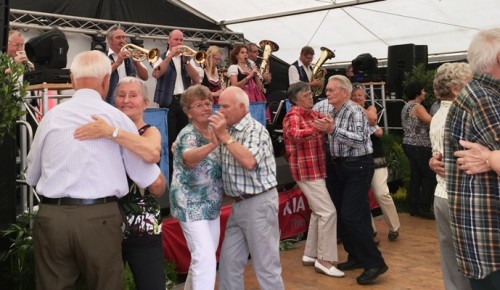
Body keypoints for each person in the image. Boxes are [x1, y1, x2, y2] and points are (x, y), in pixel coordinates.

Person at [25, 50, 166, 290]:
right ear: (106, 81)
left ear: (72, 79)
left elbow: (31, 175)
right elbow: (150, 180)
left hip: (52, 217)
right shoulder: (117, 119)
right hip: (99, 219)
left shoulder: (50, 117)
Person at [73, 76, 167, 290]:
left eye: (133, 95)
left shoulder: (150, 131)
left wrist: (112, 132)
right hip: (105, 223)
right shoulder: (101, 131)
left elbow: (152, 154)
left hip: (143, 225)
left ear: (145, 103)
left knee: (151, 284)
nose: (126, 100)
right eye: (121, 95)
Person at [313, 75, 388, 285]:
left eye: (330, 90)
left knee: (351, 216)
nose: (326, 94)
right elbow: (310, 108)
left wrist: (332, 129)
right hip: (338, 167)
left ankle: (375, 262)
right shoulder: (329, 108)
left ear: (344, 93)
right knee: (346, 214)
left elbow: (360, 140)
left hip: (358, 165)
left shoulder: (354, 111)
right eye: (326, 90)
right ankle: (355, 256)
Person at [208, 86, 284, 290]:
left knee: (266, 266)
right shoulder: (228, 130)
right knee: (228, 265)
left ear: (242, 107)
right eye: (219, 106)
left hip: (258, 204)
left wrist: (224, 136)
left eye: (224, 106)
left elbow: (249, 161)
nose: (219, 111)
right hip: (239, 205)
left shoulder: (254, 130)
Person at [443, 28, 500, 290]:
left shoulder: (481, 94)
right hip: (491, 240)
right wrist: (491, 158)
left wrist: (490, 157)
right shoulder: (485, 99)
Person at [282, 82, 344, 278]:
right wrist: (319, 129)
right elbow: (295, 135)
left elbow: (327, 120)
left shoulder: (311, 114)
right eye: (307, 95)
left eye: (310, 94)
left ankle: (310, 254)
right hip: (305, 171)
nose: (311, 97)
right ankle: (324, 260)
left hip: (316, 170)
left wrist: (326, 122)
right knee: (328, 212)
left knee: (319, 212)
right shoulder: (293, 115)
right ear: (296, 99)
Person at [169, 85, 223, 290]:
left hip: (211, 202)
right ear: (188, 111)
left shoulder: (213, 129)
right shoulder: (187, 134)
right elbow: (188, 159)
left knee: (204, 256)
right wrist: (212, 145)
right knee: (205, 257)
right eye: (198, 105)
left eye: (208, 103)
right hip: (189, 203)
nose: (205, 107)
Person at [428, 62, 472, 290]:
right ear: (456, 89)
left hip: (442, 195)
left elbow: (439, 155)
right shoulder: (462, 114)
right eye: (470, 82)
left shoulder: (437, 114)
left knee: (451, 262)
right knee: (471, 264)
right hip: (462, 197)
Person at [350, 83, 401, 241]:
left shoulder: (370, 109)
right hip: (357, 158)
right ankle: (370, 230)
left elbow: (379, 132)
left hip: (376, 158)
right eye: (354, 96)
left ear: (365, 98)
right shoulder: (348, 112)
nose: (357, 98)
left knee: (381, 192)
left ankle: (394, 227)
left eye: (360, 95)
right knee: (362, 197)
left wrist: (360, 108)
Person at [152, 29, 201, 183]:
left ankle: (185, 171)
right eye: (176, 40)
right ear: (169, 40)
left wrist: (187, 61)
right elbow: (157, 74)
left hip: (184, 101)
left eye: (181, 40)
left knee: (184, 137)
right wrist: (169, 57)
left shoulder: (187, 58)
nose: (179, 43)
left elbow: (197, 78)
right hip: (168, 102)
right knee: (170, 138)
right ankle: (171, 173)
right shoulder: (159, 56)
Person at [401, 82, 436, 219]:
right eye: (423, 90)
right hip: (420, 145)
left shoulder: (405, 106)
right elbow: (431, 121)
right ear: (417, 93)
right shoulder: (417, 107)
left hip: (408, 144)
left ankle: (413, 206)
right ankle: (424, 207)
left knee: (416, 176)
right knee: (429, 176)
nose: (425, 93)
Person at [105, 25, 148, 105]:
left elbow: (145, 77)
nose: (122, 41)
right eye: (118, 38)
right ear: (109, 41)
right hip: (110, 102)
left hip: (130, 101)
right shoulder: (103, 56)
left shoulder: (130, 54)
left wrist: (136, 62)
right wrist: (117, 63)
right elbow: (101, 75)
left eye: (123, 37)